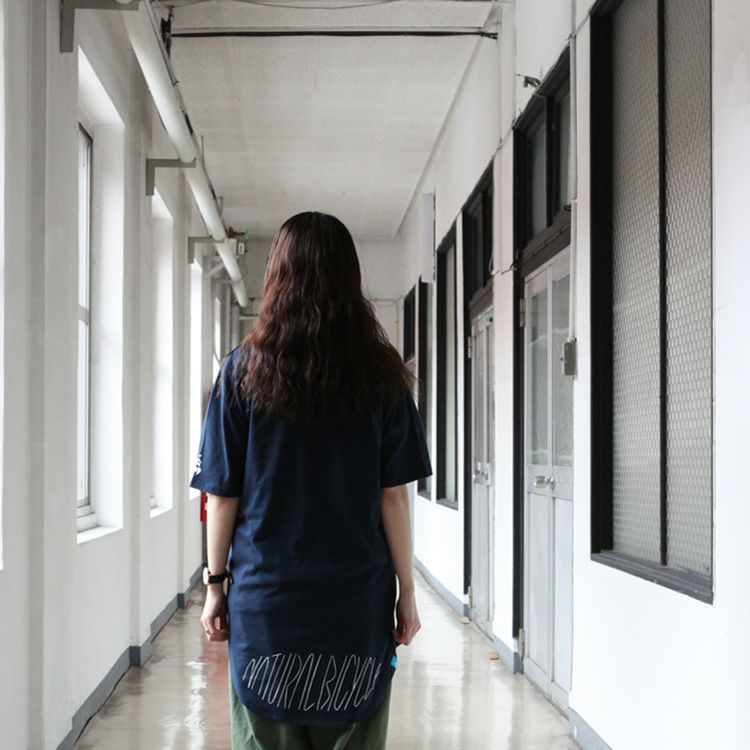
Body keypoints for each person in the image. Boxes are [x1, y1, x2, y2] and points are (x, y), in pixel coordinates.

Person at [189, 211, 433, 750]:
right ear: (350, 277)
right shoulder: (382, 374)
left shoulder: (242, 372)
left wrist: (215, 586)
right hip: (355, 608)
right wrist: (408, 594)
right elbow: (393, 496)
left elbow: (222, 496)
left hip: (266, 607)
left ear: (277, 273)